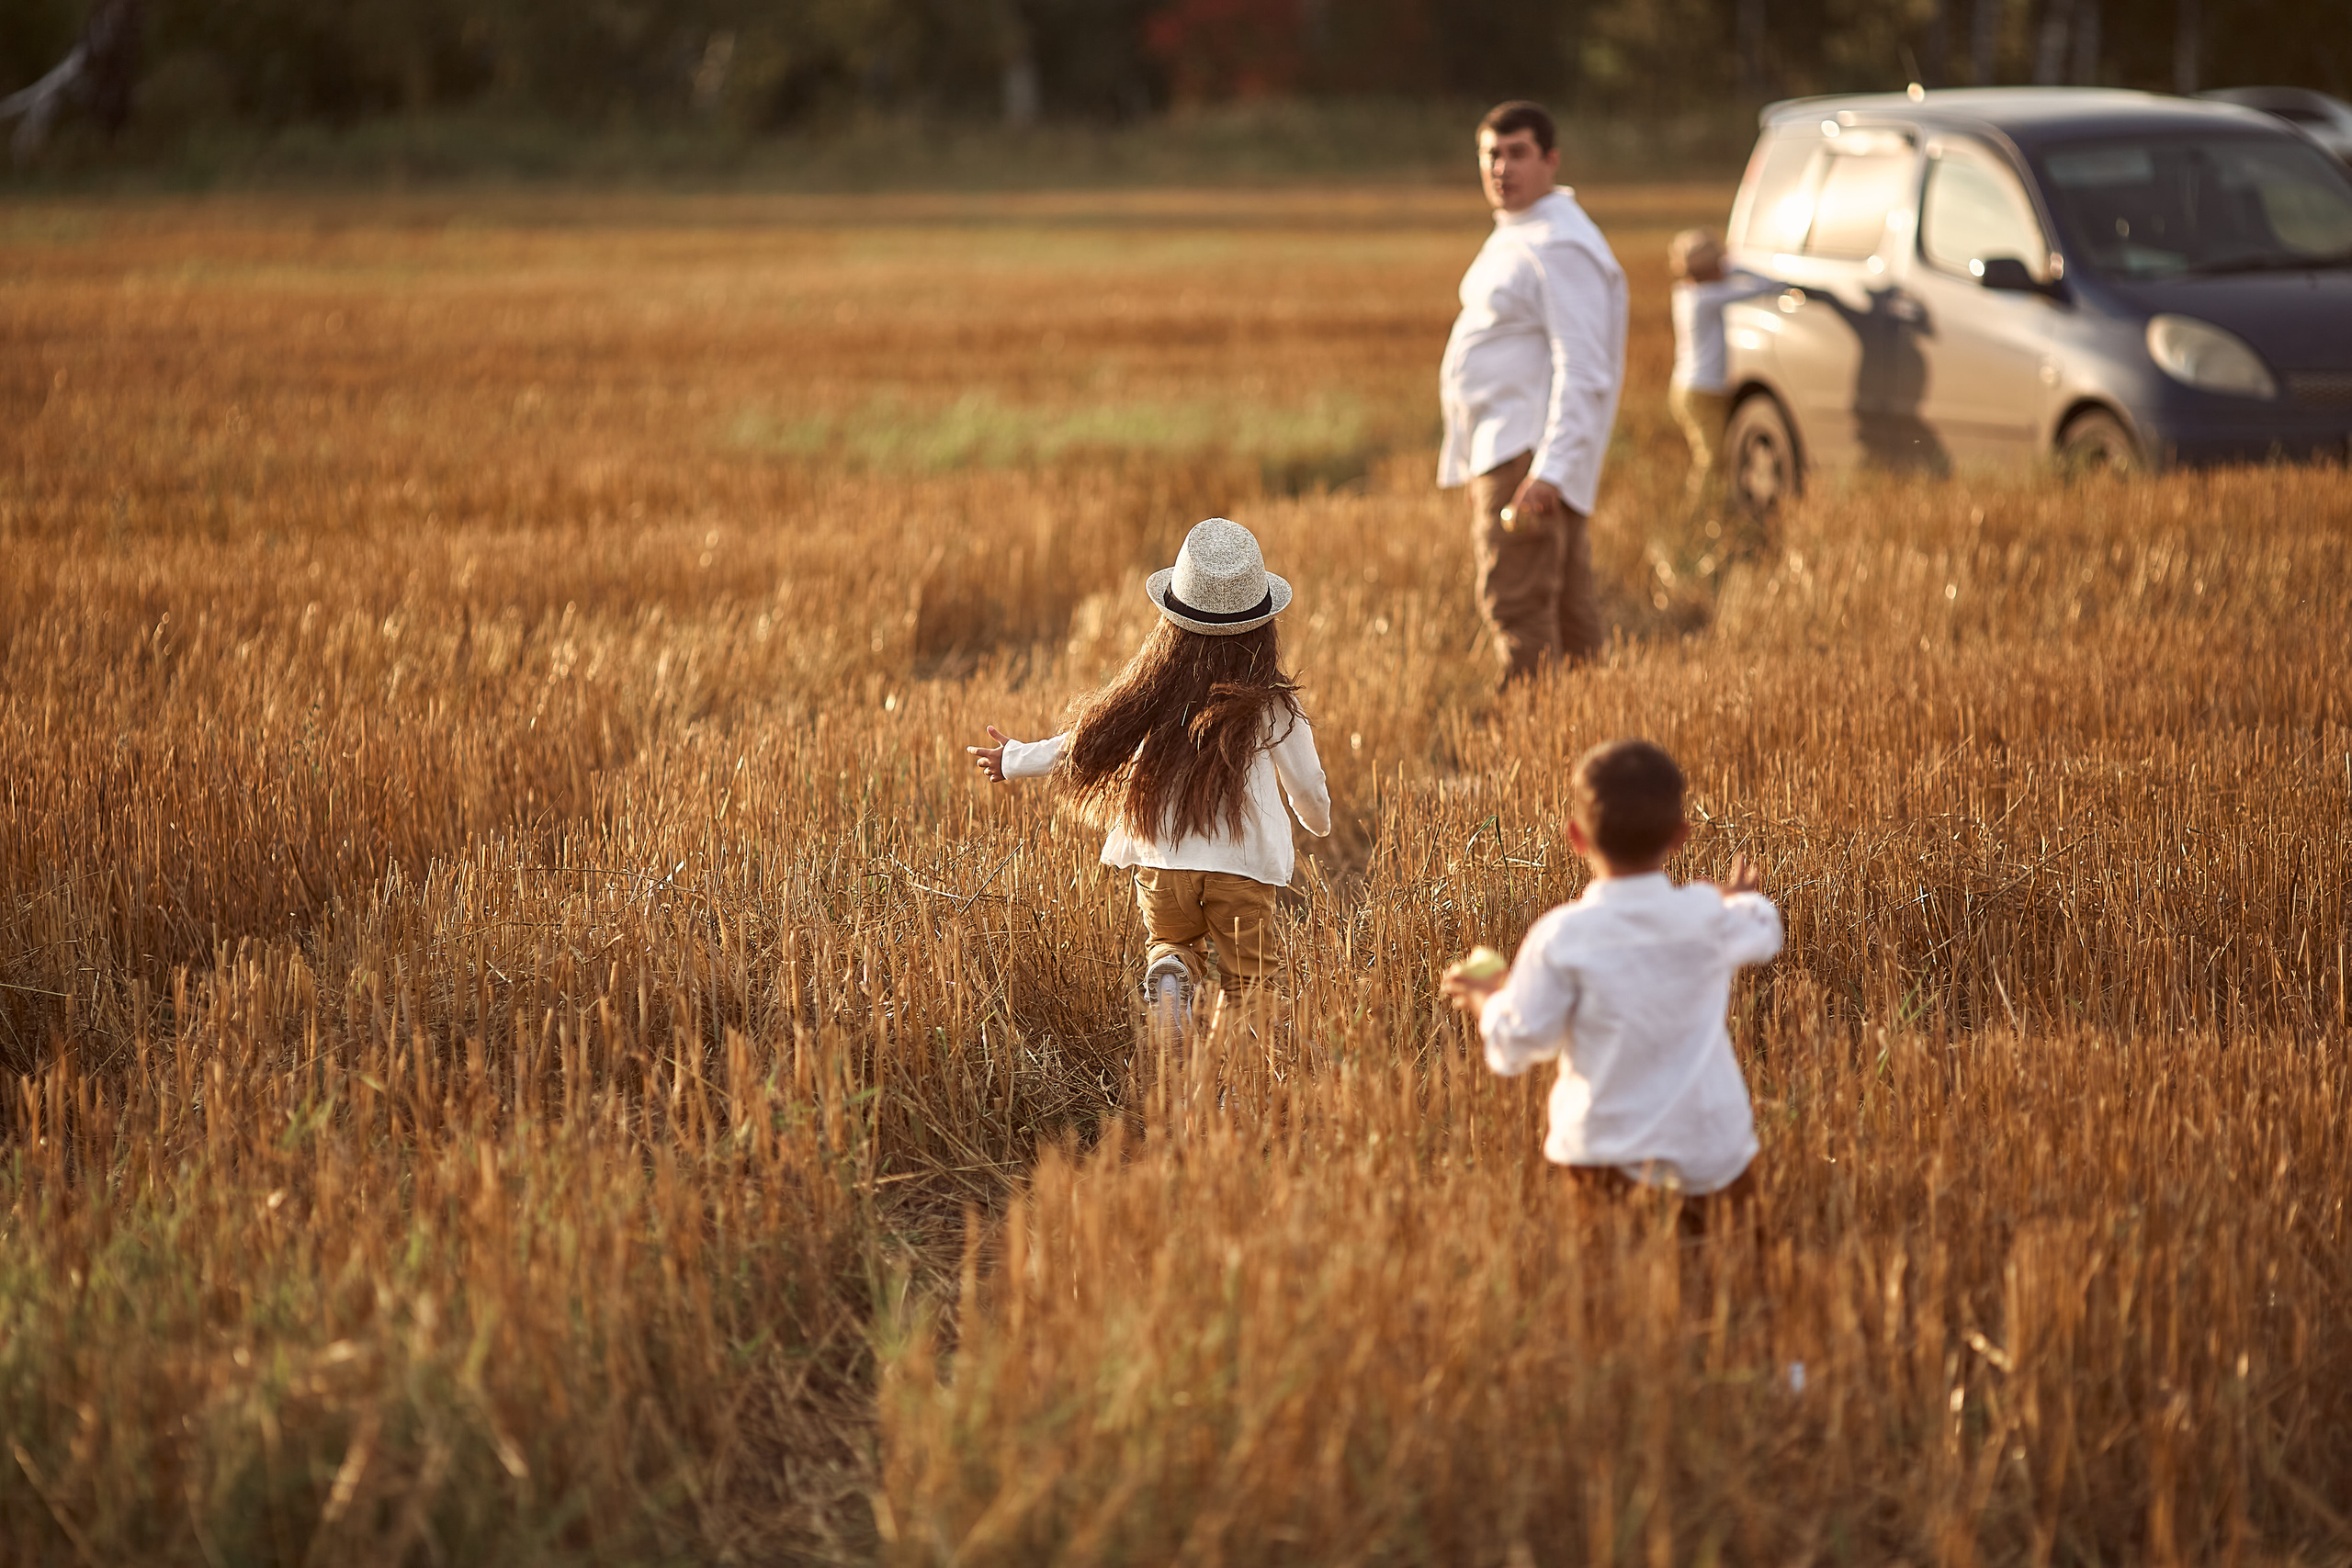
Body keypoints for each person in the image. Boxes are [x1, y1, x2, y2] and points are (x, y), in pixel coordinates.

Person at [967, 517, 1331, 1032]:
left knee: (1172, 941)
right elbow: (1309, 785)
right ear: (1263, 624)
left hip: (1164, 860)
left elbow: (1085, 742)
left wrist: (1015, 758)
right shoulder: (1274, 706)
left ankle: (1169, 971)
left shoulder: (1155, 690)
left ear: (1172, 623)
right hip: (1243, 868)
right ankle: (1236, 1096)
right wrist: (1318, 822)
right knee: (1251, 987)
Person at [1441, 739, 1781, 1235]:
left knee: (1615, 1294)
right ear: (1680, 837)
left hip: (1604, 1159)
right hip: (1712, 1154)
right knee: (1733, 1281)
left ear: (1576, 836)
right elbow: (1764, 929)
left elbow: (1517, 1043)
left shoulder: (1561, 937)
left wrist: (1485, 996)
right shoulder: (1705, 917)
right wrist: (1729, 898)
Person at [1438, 99, 1630, 687]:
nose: (1501, 167)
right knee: (1569, 615)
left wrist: (1549, 472)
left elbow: (1584, 368)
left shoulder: (1557, 244)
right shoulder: (1526, 231)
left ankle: (1533, 741)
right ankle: (1585, 748)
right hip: (1514, 451)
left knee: (1517, 606)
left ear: (1550, 159)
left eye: (1517, 153)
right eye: (1491, 154)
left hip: (1525, 455)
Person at [1667, 228, 1780, 512]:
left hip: (1691, 388)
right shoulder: (1704, 299)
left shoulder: (1685, 293)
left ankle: (1712, 512)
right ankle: (1697, 517)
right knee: (1711, 459)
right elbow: (1764, 285)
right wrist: (1735, 265)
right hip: (1701, 390)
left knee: (1714, 457)